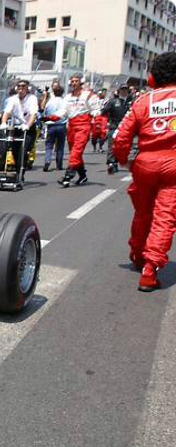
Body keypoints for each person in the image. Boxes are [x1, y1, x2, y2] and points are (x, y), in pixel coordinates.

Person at [112, 52, 176, 291]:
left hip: (145, 165)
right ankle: (150, 270)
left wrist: (123, 160)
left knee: (142, 214)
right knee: (164, 218)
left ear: (152, 77)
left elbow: (120, 138)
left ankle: (138, 255)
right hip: (174, 168)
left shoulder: (143, 101)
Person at [58, 73, 101, 187]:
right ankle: (82, 176)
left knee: (76, 151)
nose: (73, 83)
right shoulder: (67, 97)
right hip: (71, 126)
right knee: (75, 153)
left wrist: (98, 124)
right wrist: (51, 117)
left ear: (81, 82)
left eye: (76, 81)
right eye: (72, 81)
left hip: (83, 126)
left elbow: (96, 110)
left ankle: (68, 175)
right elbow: (63, 112)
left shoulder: (88, 95)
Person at [0, 79, 38, 178]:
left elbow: (33, 114)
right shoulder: (13, 99)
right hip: (16, 127)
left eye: (23, 87)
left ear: (27, 88)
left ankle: (21, 172)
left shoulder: (32, 98)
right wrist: (3, 123)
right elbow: (7, 112)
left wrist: (28, 125)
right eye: (19, 87)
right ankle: (17, 171)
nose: (21, 89)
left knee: (24, 150)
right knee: (14, 150)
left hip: (28, 128)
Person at [103, 85, 131, 174]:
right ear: (119, 91)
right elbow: (103, 111)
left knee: (123, 146)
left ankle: (118, 161)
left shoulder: (131, 102)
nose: (124, 92)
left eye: (125, 90)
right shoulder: (112, 102)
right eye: (122, 90)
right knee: (111, 146)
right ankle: (111, 163)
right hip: (114, 126)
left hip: (126, 128)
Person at [42, 84, 67, 172]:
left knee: (49, 145)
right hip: (61, 125)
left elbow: (45, 113)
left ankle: (47, 160)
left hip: (51, 125)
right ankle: (59, 165)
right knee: (60, 146)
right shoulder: (64, 102)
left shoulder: (50, 102)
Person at [91, 88, 109, 152]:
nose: (103, 94)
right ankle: (94, 146)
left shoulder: (107, 100)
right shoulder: (93, 100)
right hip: (95, 117)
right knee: (94, 133)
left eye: (104, 92)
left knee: (103, 132)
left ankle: (100, 147)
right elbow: (89, 108)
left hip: (103, 117)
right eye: (102, 92)